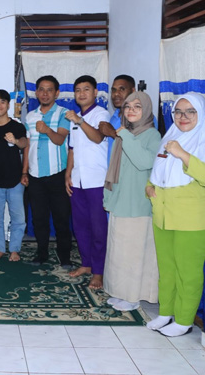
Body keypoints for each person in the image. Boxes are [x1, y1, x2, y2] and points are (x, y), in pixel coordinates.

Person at [146, 92, 205, 337]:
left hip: (190, 218)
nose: (183, 116)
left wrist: (182, 154)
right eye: (178, 111)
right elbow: (159, 170)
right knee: (167, 269)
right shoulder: (170, 136)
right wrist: (149, 187)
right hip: (163, 213)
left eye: (191, 111)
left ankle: (184, 320)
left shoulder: (201, 138)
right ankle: (166, 312)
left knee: (188, 272)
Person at [103, 92, 160, 311]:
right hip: (120, 201)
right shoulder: (125, 133)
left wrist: (125, 136)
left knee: (133, 253)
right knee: (119, 251)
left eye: (137, 106)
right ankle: (121, 292)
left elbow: (143, 161)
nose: (131, 110)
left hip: (137, 204)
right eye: (127, 107)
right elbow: (115, 171)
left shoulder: (152, 135)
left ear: (146, 110)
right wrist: (109, 197)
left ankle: (133, 296)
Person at [65, 75, 110, 289]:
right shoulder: (75, 118)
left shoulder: (101, 113)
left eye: (86, 89)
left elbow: (98, 137)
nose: (81, 93)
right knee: (80, 226)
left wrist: (80, 121)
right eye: (78, 90)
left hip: (97, 181)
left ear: (95, 92)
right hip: (78, 180)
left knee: (98, 228)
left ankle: (99, 271)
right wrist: (68, 174)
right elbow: (72, 149)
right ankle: (86, 264)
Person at [25, 75, 72, 267]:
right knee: (39, 219)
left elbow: (60, 140)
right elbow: (27, 146)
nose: (45, 94)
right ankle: (42, 253)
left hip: (57, 174)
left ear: (57, 93)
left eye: (49, 90)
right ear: (36, 93)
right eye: (41, 90)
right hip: (35, 175)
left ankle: (65, 256)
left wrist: (46, 130)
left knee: (62, 218)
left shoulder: (64, 113)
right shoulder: (30, 116)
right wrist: (24, 172)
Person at [0, 89, 28, 262]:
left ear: (8, 105)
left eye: (2, 102)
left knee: (18, 218)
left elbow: (24, 143)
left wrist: (16, 141)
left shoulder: (17, 126)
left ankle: (15, 249)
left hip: (15, 180)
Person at [98, 75, 136, 161]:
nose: (116, 94)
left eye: (122, 89)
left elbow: (139, 150)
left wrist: (112, 133)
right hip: (112, 168)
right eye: (114, 90)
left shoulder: (143, 117)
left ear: (133, 91)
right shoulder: (114, 117)